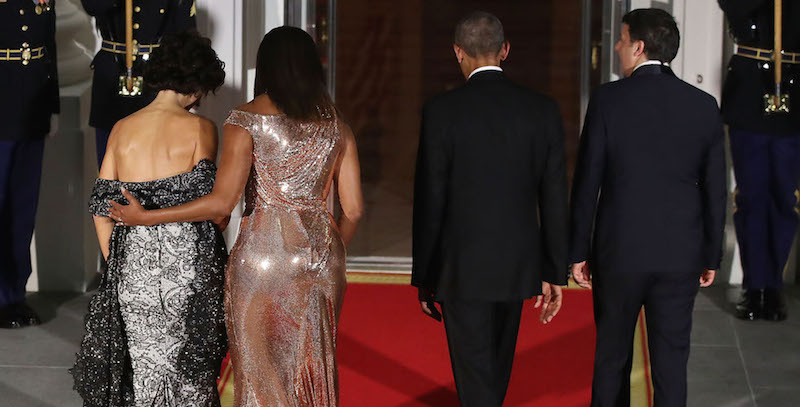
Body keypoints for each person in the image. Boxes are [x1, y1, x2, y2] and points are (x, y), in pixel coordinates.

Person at [108, 26, 364, 406]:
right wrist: (322, 253)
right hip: (321, 261)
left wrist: (147, 217)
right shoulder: (337, 127)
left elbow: (222, 203)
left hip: (260, 261)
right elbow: (354, 209)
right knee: (309, 369)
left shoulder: (244, 120)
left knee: (261, 375)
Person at [569, 9, 726, 407]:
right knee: (671, 363)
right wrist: (710, 255)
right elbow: (715, 190)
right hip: (680, 255)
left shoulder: (607, 100)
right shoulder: (704, 105)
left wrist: (577, 253)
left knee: (611, 359)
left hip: (618, 254)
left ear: (638, 47)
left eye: (622, 40)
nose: (618, 47)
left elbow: (588, 182)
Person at [412, 11, 568, 407]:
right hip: (517, 262)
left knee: (475, 373)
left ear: (457, 52)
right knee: (496, 367)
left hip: (460, 264)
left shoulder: (441, 111)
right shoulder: (542, 109)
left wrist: (425, 275)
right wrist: (554, 270)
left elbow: (431, 199)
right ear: (505, 51)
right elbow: (553, 195)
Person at [71, 30, 228, 406]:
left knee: (144, 376)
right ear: (196, 85)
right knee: (191, 377)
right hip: (187, 267)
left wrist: (119, 264)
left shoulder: (122, 130)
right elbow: (211, 202)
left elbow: (100, 208)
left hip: (133, 271)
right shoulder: (201, 128)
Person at [718, 0, 800, 322]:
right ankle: (754, 287)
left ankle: (773, 286)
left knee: (784, 198)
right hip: (751, 95)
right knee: (751, 198)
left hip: (793, 96)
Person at [0, 0, 59, 329]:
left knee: (23, 207)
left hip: (32, 103)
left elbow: (48, 47)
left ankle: (14, 295)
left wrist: (53, 105)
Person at [81, 0, 196, 167]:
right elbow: (92, 6)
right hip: (113, 75)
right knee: (110, 159)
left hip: (157, 76)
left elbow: (186, 35)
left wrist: (187, 84)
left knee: (155, 160)